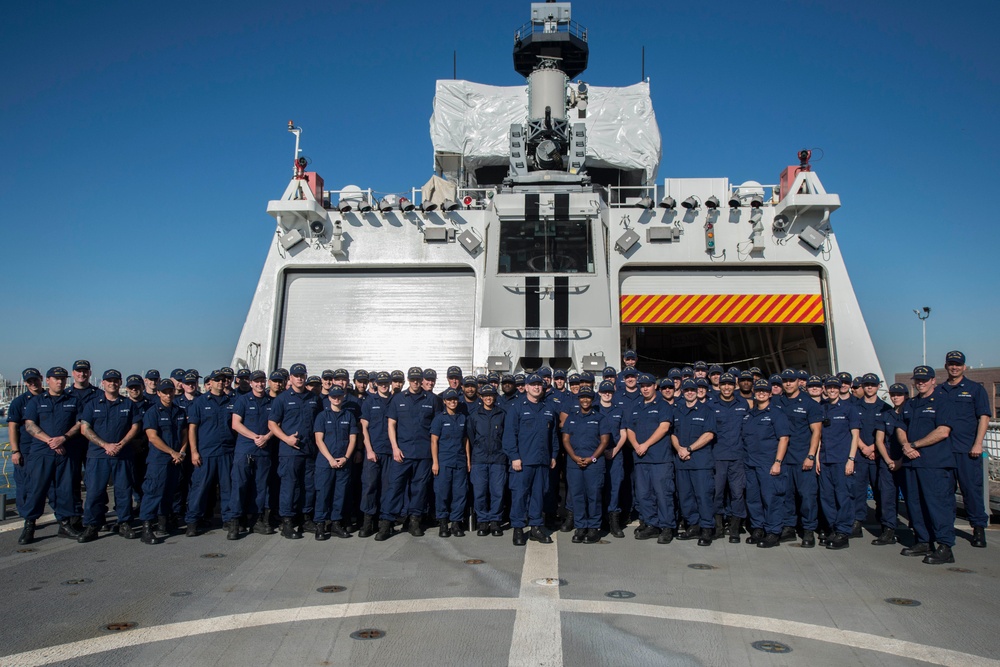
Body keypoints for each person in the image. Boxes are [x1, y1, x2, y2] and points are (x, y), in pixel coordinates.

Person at [897, 365, 956, 564]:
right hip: (912, 463)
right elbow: (900, 427)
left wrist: (914, 445)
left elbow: (943, 431)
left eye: (925, 379)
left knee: (937, 505)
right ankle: (923, 540)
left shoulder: (943, 401)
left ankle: (944, 546)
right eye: (918, 380)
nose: (921, 382)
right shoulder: (910, 404)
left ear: (933, 380)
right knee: (914, 504)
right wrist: (906, 446)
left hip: (934, 463)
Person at [77, 369, 143, 542]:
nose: (112, 383)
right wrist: (105, 445)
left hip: (123, 455)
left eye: (115, 381)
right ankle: (92, 525)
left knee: (123, 491)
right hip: (98, 456)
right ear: (103, 383)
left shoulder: (128, 404)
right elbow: (85, 428)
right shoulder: (92, 404)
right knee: (94, 492)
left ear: (120, 383)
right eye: (109, 381)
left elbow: (135, 427)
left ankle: (124, 523)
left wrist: (120, 444)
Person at [20, 367, 83, 543]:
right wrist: (50, 441)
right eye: (56, 379)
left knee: (65, 490)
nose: (60, 382)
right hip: (41, 453)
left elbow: (79, 424)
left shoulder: (73, 400)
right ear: (47, 380)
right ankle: (29, 526)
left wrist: (63, 438)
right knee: (36, 490)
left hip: (65, 452)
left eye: (63, 379)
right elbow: (30, 425)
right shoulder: (37, 401)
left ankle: (64, 524)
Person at [937, 351, 990, 548]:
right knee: (944, 493)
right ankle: (946, 528)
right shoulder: (939, 390)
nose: (954, 367)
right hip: (944, 452)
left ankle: (978, 528)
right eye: (951, 364)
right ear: (946, 366)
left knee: (971, 490)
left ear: (964, 367)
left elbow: (984, 417)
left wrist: (978, 443)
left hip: (967, 450)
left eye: (958, 364)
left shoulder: (975, 389)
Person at [503, 374, 559, 546]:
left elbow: (554, 436)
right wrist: (514, 457)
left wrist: (553, 455)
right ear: (526, 387)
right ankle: (518, 528)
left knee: (538, 495)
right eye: (532, 385)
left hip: (542, 460)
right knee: (520, 495)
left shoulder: (548, 408)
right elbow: (509, 435)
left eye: (539, 385)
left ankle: (535, 527)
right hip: (523, 461)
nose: (536, 387)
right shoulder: (517, 407)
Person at [268, 363, 322, 539]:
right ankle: (287, 522)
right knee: (289, 486)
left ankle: (306, 519)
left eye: (302, 375)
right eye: (296, 375)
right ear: (290, 378)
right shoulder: (282, 399)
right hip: (290, 451)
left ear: (305, 377)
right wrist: (286, 439)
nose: (299, 378)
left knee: (309, 486)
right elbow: (272, 424)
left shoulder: (313, 398)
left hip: (310, 450)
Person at [385, 367, 438, 537]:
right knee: (395, 487)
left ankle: (415, 520)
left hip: (424, 453)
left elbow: (436, 429)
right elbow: (391, 424)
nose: (416, 382)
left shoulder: (432, 399)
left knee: (419, 489)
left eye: (418, 379)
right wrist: (394, 447)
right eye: (413, 379)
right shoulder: (398, 399)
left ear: (422, 380)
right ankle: (387, 522)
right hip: (402, 453)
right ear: (408, 379)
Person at [185, 371, 237, 539]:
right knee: (199, 488)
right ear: (210, 382)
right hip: (206, 452)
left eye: (224, 380)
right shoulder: (200, 402)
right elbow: (192, 429)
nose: (221, 382)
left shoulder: (232, 401)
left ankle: (228, 519)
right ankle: (193, 521)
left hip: (227, 452)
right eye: (217, 380)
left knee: (228, 488)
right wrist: (193, 451)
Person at [774, 368, 823, 548]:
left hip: (802, 456)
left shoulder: (810, 404)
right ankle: (788, 528)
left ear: (798, 382)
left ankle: (809, 531)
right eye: (785, 380)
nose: (788, 383)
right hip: (783, 458)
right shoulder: (777, 402)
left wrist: (811, 455)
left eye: (791, 380)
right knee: (786, 495)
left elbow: (816, 432)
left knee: (807, 496)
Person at [137, 379, 188, 545]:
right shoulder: (153, 412)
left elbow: (185, 434)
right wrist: (172, 452)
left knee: (169, 492)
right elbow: (152, 437)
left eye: (170, 391)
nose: (168, 394)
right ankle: (146, 528)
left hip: (175, 459)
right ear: (158, 393)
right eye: (164, 392)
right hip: (159, 459)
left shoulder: (179, 412)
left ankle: (164, 523)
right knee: (153, 492)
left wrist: (181, 452)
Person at [741, 379, 790, 549]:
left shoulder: (776, 414)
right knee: (753, 499)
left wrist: (777, 462)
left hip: (768, 463)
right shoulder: (749, 415)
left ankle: (773, 532)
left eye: (765, 391)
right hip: (750, 464)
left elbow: (784, 438)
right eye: (758, 390)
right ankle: (758, 528)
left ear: (770, 394)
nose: (761, 393)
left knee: (771, 499)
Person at [627, 373, 676, 544]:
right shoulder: (636, 406)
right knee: (644, 494)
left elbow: (664, 428)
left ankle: (667, 526)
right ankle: (651, 523)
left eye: (648, 385)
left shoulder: (663, 406)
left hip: (659, 459)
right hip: (641, 459)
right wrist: (636, 445)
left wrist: (645, 444)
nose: (645, 388)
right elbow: (629, 429)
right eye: (642, 386)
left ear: (655, 386)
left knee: (663, 494)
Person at [561, 386, 611, 544]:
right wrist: (574, 457)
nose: (585, 400)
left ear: (593, 399)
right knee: (577, 495)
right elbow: (565, 439)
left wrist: (592, 458)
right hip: (574, 463)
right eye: (582, 397)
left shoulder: (600, 418)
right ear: (578, 399)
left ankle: (593, 528)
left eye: (588, 397)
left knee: (594, 495)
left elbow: (604, 441)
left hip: (594, 464)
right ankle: (580, 526)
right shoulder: (572, 418)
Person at [230, 370, 277, 536]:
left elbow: (276, 424)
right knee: (239, 485)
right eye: (256, 381)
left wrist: (267, 437)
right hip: (245, 450)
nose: (259, 384)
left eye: (262, 381)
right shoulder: (242, 401)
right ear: (250, 383)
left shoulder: (272, 402)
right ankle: (236, 521)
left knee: (260, 487)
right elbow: (236, 424)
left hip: (263, 450)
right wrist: (255, 437)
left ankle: (256, 520)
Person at [671, 379, 718, 546]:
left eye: (692, 389)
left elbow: (709, 435)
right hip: (682, 462)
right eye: (686, 390)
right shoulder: (678, 411)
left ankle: (706, 529)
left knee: (703, 496)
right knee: (685, 496)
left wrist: (689, 449)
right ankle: (693, 526)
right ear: (682, 392)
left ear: (697, 391)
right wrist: (679, 449)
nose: (689, 392)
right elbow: (673, 434)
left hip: (700, 463)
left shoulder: (707, 411)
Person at [817, 377, 861, 550]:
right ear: (825, 389)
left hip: (842, 459)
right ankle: (833, 529)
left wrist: (851, 459)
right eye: (830, 387)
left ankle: (843, 532)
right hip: (825, 459)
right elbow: (819, 436)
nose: (833, 390)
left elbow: (855, 435)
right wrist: (817, 459)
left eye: (835, 387)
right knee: (826, 497)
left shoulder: (850, 409)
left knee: (843, 497)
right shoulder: (821, 408)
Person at [312, 386, 358, 540]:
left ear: (343, 397)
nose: (337, 399)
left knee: (340, 494)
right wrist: (330, 459)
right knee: (323, 493)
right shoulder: (322, 416)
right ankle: (320, 524)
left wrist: (345, 457)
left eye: (339, 396)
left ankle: (335, 524)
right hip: (326, 463)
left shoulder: (349, 416)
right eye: (334, 396)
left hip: (343, 462)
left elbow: (353, 439)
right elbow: (319, 440)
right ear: (329, 398)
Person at [710, 373, 749, 543]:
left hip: (738, 457)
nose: (726, 387)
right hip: (718, 456)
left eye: (730, 384)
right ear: (719, 386)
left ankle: (734, 529)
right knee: (717, 493)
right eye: (723, 384)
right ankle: (718, 528)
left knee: (737, 493)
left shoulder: (743, 404)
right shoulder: (712, 404)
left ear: (735, 386)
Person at [466, 384, 507, 537]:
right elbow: (471, 436)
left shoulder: (502, 414)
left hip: (498, 459)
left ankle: (495, 521)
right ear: (481, 397)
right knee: (480, 492)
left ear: (495, 397)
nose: (489, 398)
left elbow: (505, 436)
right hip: (480, 459)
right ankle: (483, 521)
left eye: (491, 395)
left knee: (497, 492)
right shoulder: (474, 415)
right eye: (486, 395)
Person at [853, 373, 891, 538]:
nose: (869, 387)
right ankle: (857, 523)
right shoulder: (854, 407)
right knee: (857, 491)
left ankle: (885, 525)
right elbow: (852, 431)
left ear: (877, 387)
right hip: (860, 455)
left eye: (872, 385)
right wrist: (863, 447)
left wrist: (873, 449)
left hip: (877, 457)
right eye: (866, 384)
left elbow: (889, 434)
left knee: (881, 491)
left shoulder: (886, 408)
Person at [871, 383, 909, 545]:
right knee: (887, 497)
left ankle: (918, 531)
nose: (895, 397)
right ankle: (888, 530)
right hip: (888, 462)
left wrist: (900, 460)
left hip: (907, 461)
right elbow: (879, 440)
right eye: (893, 394)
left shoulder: (910, 413)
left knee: (912, 498)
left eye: (899, 394)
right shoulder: (886, 414)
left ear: (906, 396)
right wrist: (888, 460)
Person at [360, 372, 395, 540]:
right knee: (369, 486)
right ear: (375, 384)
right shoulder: (369, 402)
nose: (383, 385)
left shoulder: (395, 401)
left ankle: (384, 523)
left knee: (388, 488)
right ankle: (368, 522)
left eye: (386, 383)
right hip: (373, 452)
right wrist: (369, 450)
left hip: (390, 452)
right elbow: (364, 428)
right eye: (380, 383)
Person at [430, 389, 469, 537]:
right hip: (444, 461)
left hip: (459, 461)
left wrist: (468, 460)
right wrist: (435, 462)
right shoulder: (439, 419)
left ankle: (456, 523)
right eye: (449, 399)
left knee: (459, 493)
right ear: (444, 401)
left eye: (454, 399)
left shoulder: (462, 418)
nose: (452, 402)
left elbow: (465, 441)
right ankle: (443, 522)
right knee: (442, 493)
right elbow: (434, 441)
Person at [7, 368, 44, 522]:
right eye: (29, 381)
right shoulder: (19, 402)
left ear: (41, 379)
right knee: (25, 486)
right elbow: (12, 427)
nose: (33, 383)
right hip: (26, 449)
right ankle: (28, 520)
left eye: (35, 380)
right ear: (25, 383)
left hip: (47, 449)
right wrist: (15, 451)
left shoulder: (49, 398)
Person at [596, 380, 628, 538]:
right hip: (598, 456)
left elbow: (624, 434)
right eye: (604, 392)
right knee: (599, 487)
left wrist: (614, 450)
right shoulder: (595, 409)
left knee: (614, 488)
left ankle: (614, 521)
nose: (607, 394)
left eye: (610, 392)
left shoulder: (619, 411)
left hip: (615, 455)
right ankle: (600, 520)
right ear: (600, 393)